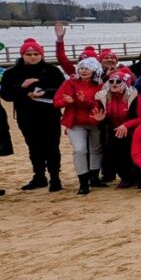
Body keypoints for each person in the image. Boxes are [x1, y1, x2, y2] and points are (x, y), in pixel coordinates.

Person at [0, 38, 65, 191]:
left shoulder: (52, 70)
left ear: (41, 54)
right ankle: (39, 176)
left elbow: (63, 90)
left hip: (49, 114)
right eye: (29, 54)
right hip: (26, 116)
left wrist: (46, 92)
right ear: (23, 55)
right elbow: (6, 95)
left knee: (52, 146)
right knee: (34, 147)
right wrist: (22, 88)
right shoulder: (12, 73)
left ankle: (55, 177)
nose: (33, 56)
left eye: (36, 53)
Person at [54, 57, 106, 195]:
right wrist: (68, 102)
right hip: (75, 122)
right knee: (80, 150)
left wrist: (82, 101)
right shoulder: (70, 83)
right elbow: (56, 102)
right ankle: (83, 182)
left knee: (96, 149)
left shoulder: (101, 85)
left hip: (95, 121)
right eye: (81, 68)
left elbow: (99, 104)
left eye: (87, 68)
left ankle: (94, 177)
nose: (84, 71)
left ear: (95, 70)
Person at [94, 68, 141, 188]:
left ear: (125, 84)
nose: (114, 84)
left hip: (132, 128)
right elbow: (96, 114)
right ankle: (125, 177)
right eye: (111, 81)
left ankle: (138, 177)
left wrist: (127, 125)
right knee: (114, 153)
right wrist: (101, 119)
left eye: (118, 81)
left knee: (131, 152)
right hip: (113, 129)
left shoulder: (134, 95)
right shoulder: (103, 96)